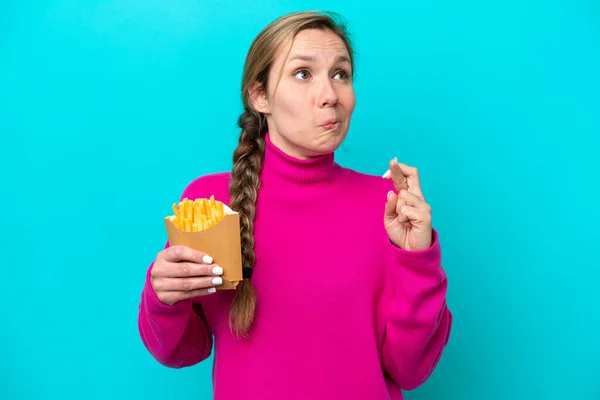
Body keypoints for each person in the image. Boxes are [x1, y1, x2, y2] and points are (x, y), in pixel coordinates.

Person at [138, 10, 452, 400]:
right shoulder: (210, 204)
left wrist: (418, 258)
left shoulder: (387, 207)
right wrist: (163, 297)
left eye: (341, 74)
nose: (330, 96)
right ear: (260, 96)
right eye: (303, 74)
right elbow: (181, 348)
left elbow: (411, 368)